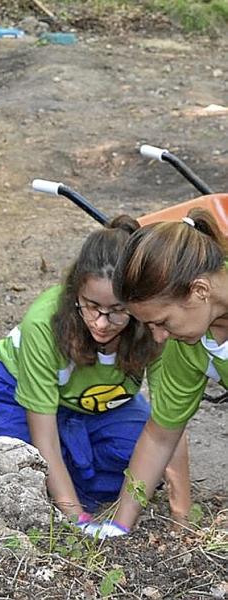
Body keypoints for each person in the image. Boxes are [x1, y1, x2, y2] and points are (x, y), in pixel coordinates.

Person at [0, 216, 191, 525]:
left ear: (138, 303)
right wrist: (78, 519)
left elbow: (171, 422)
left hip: (99, 402)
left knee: (143, 460)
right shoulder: (43, 324)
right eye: (91, 306)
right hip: (16, 392)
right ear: (75, 291)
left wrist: (182, 512)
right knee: (18, 473)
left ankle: (71, 463)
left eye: (118, 311)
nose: (102, 323)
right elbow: (44, 435)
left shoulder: (155, 325)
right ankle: (67, 473)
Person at [84, 209, 228, 538]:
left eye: (162, 322)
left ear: (199, 291)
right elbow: (160, 435)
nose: (158, 338)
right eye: (149, 326)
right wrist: (119, 527)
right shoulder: (187, 344)